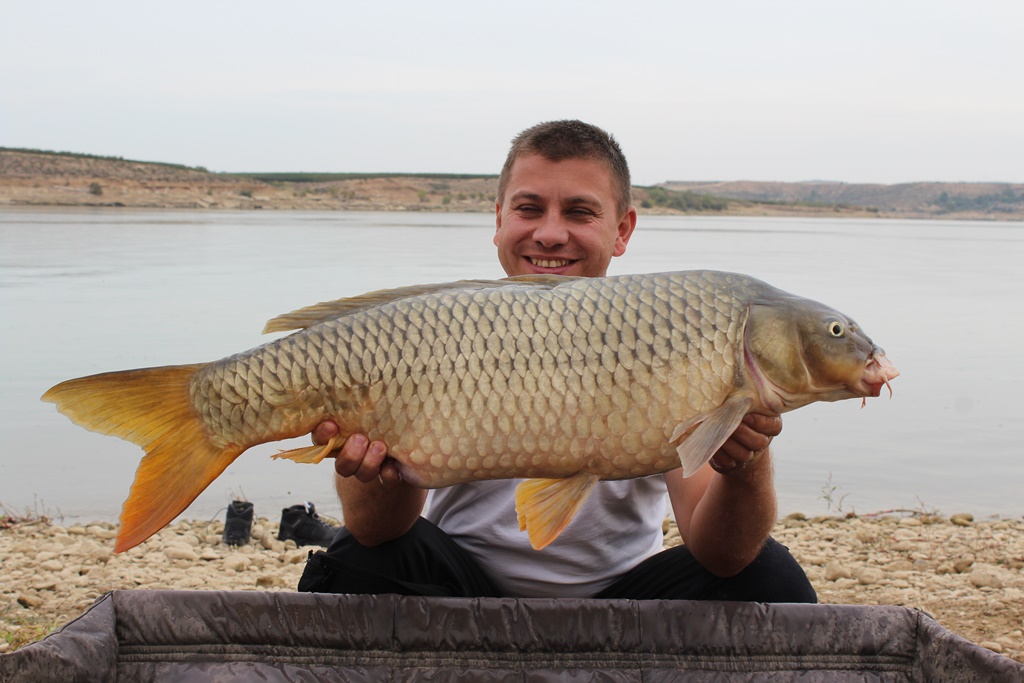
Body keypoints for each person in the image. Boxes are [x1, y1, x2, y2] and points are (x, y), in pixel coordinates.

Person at [296, 120, 816, 602]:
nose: (549, 233)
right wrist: (370, 467)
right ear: (498, 220)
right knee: (354, 561)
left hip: (623, 599)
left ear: (623, 229)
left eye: (579, 212)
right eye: (528, 209)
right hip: (456, 585)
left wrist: (746, 466)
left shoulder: (674, 331)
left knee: (772, 581)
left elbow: (722, 557)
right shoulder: (432, 333)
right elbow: (376, 531)